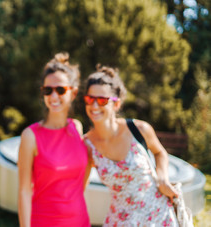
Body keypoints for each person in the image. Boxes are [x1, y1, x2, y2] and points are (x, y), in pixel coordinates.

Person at [83, 64, 178, 226]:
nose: (95, 106)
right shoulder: (87, 144)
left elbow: (160, 152)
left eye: (102, 100)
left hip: (157, 216)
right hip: (119, 221)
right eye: (90, 99)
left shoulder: (139, 129)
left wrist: (162, 178)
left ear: (117, 104)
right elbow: (79, 188)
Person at [18, 53, 91, 227]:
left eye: (60, 89)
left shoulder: (77, 127)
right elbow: (24, 191)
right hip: (44, 221)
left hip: (80, 220)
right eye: (47, 90)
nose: (53, 96)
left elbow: (80, 180)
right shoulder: (30, 136)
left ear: (72, 93)